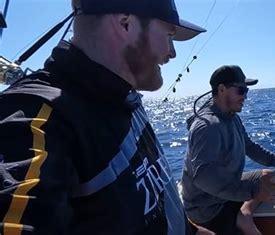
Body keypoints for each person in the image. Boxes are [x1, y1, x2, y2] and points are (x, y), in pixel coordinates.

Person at [0, 0, 213, 234]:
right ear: (126, 25)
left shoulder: (125, 97)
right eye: (169, 35)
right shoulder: (37, 119)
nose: (172, 52)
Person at [181, 65, 275, 235]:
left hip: (224, 193)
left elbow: (249, 146)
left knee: (268, 176)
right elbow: (203, 179)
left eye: (246, 91)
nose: (245, 96)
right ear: (221, 89)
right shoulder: (208, 126)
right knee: (263, 187)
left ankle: (244, 213)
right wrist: (253, 191)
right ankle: (240, 217)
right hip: (207, 209)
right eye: (241, 90)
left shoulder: (232, 117)